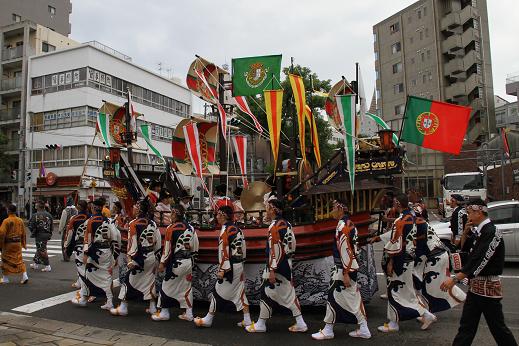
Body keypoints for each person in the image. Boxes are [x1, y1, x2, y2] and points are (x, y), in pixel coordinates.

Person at [441, 199, 518, 346]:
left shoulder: (491, 232)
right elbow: (466, 252)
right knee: (466, 326)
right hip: (476, 287)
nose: (468, 215)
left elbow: (480, 259)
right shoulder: (479, 231)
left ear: (479, 212)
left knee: (498, 329)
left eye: (469, 212)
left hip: (488, 288)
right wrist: (465, 233)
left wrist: (455, 279)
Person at [371, 193, 436, 333]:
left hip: (400, 259)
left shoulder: (400, 221)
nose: (393, 205)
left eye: (394, 202)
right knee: (405, 292)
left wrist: (391, 262)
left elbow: (396, 242)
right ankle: (399, 320)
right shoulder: (411, 218)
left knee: (395, 291)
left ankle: (402, 321)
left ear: (398, 203)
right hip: (409, 259)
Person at [311, 199, 371, 340]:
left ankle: (328, 330)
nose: (331, 210)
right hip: (346, 267)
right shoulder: (348, 224)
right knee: (351, 299)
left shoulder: (343, 226)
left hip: (343, 269)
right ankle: (363, 328)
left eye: (333, 207)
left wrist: (345, 272)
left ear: (340, 209)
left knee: (335, 297)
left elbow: (346, 251)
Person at [246, 199, 307, 333]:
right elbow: (291, 246)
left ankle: (262, 324)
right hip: (285, 263)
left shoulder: (274, 226)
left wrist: (273, 270)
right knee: (283, 294)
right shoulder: (286, 224)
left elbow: (275, 250)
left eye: (267, 208)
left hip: (277, 266)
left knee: (268, 293)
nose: (266, 211)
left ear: (273, 210)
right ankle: (299, 322)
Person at [194, 205, 250, 328]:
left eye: (218, 214)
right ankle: (247, 319)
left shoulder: (226, 230)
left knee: (217, 292)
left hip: (229, 267)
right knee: (240, 293)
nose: (216, 217)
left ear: (223, 215)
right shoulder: (237, 229)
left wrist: (223, 270)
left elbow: (224, 251)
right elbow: (243, 249)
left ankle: (208, 319)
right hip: (238, 264)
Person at [412, 204, 465, 324]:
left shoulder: (419, 225)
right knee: (440, 284)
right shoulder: (424, 223)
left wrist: (412, 261)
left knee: (426, 287)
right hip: (440, 255)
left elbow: (420, 249)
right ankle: (429, 313)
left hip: (435, 258)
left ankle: (428, 315)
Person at [110, 199, 162, 317]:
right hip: (150, 256)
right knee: (150, 281)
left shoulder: (134, 223)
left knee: (128, 281)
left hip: (138, 258)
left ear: (139, 209)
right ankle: (153, 307)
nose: (133, 208)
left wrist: (129, 259)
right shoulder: (153, 223)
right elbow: (157, 242)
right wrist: (157, 258)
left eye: (135, 206)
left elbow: (132, 243)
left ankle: (123, 307)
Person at [152, 204, 199, 321]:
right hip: (187, 262)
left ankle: (164, 312)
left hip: (176, 263)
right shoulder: (190, 228)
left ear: (175, 214)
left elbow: (167, 249)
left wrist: (162, 263)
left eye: (171, 214)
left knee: (166, 287)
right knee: (186, 288)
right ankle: (189, 313)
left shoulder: (171, 228)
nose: (170, 216)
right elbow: (195, 247)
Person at [72, 198, 120, 309]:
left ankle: (84, 298)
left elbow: (87, 239)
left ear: (94, 208)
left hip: (94, 252)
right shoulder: (109, 221)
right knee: (107, 277)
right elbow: (115, 237)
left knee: (88, 274)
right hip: (106, 251)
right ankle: (109, 301)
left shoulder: (91, 220)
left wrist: (85, 253)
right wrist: (115, 255)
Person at [64, 201, 89, 294]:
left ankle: (84, 287)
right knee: (85, 265)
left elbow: (70, 233)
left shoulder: (74, 218)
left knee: (80, 265)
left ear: (78, 207)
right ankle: (79, 282)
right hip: (90, 244)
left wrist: (66, 245)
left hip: (79, 244)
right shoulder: (90, 217)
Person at [0, 204, 28, 284]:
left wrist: (1, 243)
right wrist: (23, 243)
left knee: (5, 259)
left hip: (8, 244)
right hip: (17, 243)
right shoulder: (20, 220)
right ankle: (24, 275)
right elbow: (23, 232)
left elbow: (1, 233)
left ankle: (5, 278)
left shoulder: (6, 221)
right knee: (19, 259)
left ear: (8, 211)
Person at [28, 201, 54, 272]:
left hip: (40, 234)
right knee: (40, 248)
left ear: (38, 207)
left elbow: (30, 225)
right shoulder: (49, 215)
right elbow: (52, 226)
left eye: (36, 205)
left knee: (42, 250)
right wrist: (50, 233)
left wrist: (33, 232)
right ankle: (35, 263)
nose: (35, 206)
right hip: (47, 234)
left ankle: (47, 265)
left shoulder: (35, 215)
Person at [112, 201, 129, 283]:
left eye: (115, 207)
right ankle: (123, 278)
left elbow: (123, 227)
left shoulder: (124, 216)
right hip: (120, 241)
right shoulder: (118, 216)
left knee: (123, 262)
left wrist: (120, 228)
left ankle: (124, 279)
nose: (114, 208)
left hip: (124, 241)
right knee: (121, 262)